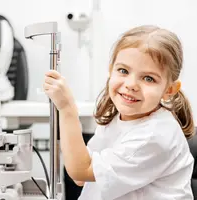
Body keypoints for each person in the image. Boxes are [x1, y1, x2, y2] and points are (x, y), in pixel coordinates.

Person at [43, 25, 195, 200]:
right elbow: (80, 177)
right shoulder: (120, 118)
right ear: (111, 70)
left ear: (169, 89)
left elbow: (81, 170)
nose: (131, 84)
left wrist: (67, 107)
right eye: (123, 70)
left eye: (148, 78)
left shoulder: (155, 136)